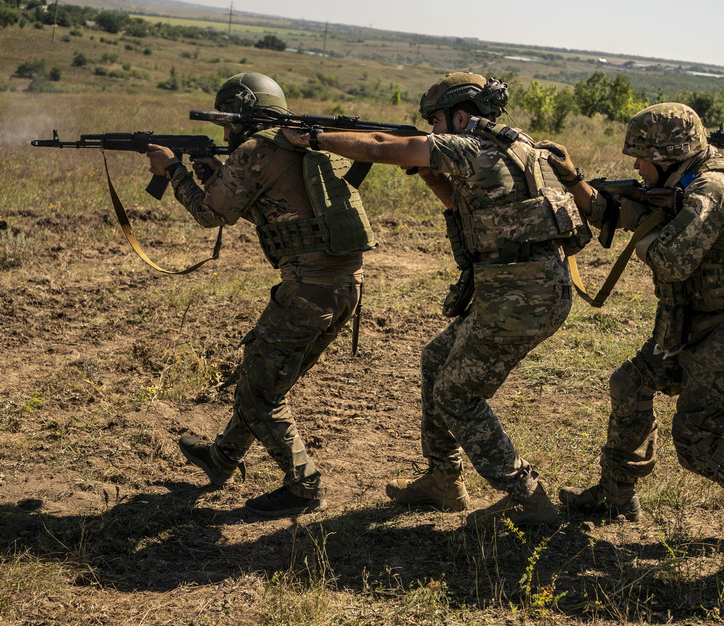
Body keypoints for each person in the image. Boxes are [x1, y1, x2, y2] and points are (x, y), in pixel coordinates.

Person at [280, 72, 589, 529]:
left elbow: (383, 146)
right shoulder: (518, 146)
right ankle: (443, 479)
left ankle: (527, 497)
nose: (433, 131)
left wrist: (315, 138)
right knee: (435, 359)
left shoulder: (468, 145)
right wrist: (427, 174)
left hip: (519, 297)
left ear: (461, 116)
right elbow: (464, 205)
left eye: (437, 121)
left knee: (456, 395)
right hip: (523, 290)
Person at [546, 103, 724, 551]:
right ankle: (615, 497)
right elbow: (611, 211)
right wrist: (572, 179)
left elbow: (672, 259)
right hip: (689, 322)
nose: (636, 168)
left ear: (666, 158)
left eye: (641, 159)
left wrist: (645, 234)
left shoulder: (712, 188)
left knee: (698, 437)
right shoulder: (680, 183)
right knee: (629, 383)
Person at [145, 72, 378, 517]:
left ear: (245, 115)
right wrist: (222, 177)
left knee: (259, 392)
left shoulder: (257, 150)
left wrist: (172, 170)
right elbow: (287, 216)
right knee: (267, 382)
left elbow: (209, 215)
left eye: (229, 124)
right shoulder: (304, 146)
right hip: (345, 288)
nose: (227, 135)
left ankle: (304, 487)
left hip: (309, 291)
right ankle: (222, 458)